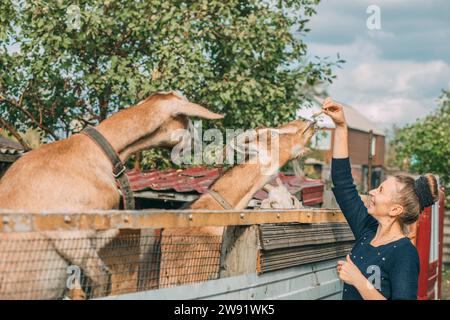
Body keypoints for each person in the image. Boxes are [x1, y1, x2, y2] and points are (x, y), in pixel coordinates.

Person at [322, 98, 439, 300]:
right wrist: (341, 127)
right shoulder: (367, 231)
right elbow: (343, 185)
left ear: (395, 210)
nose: (372, 191)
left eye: (381, 190)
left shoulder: (405, 254)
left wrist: (358, 280)